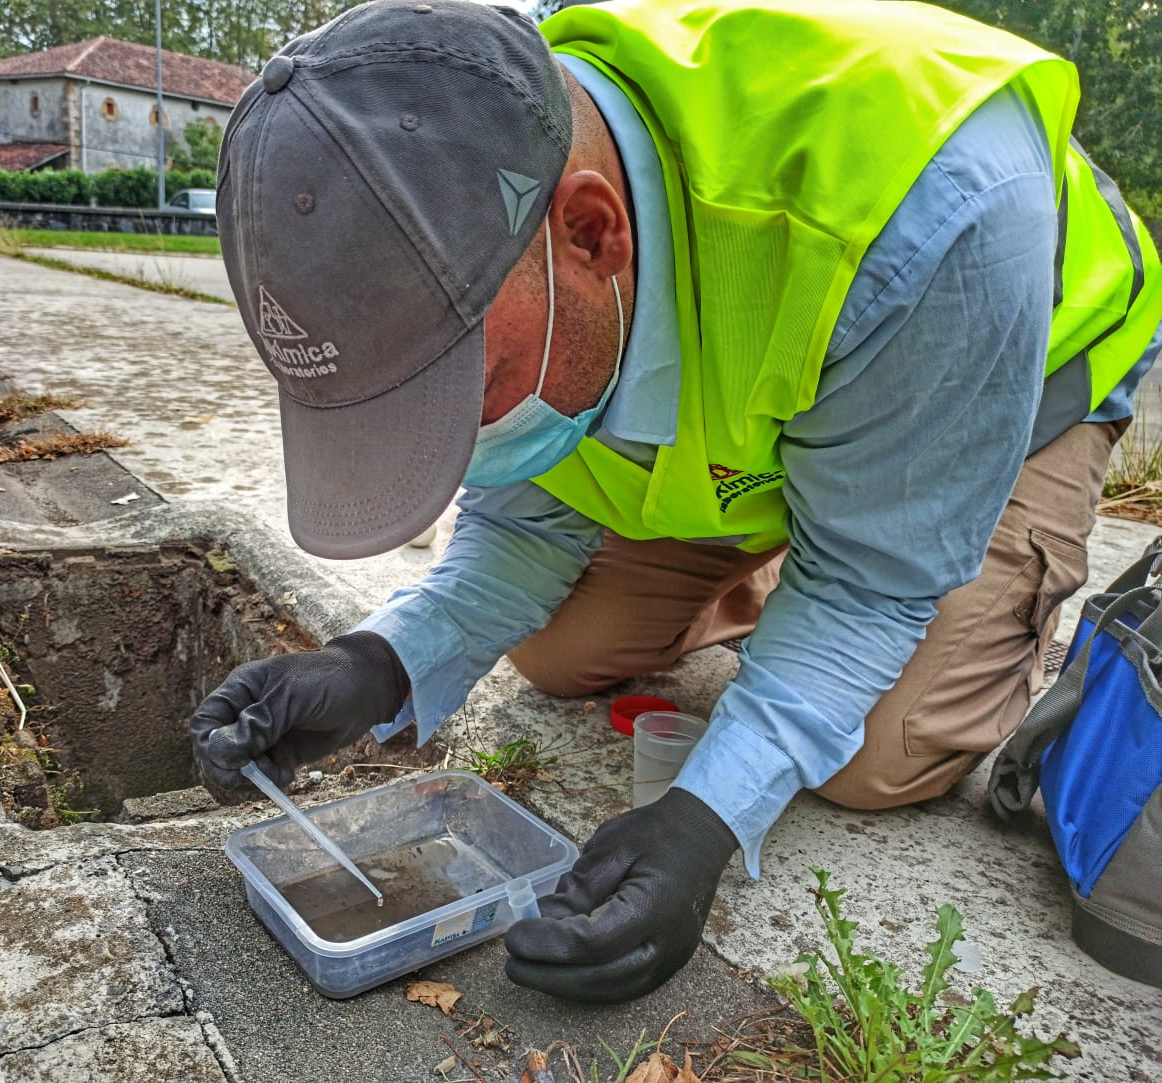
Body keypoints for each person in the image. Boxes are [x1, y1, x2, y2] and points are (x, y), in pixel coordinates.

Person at [192, 0, 1162, 1003]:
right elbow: (528, 518)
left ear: (591, 230)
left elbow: (872, 590)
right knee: (561, 652)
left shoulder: (935, 207)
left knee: (877, 754)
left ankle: (890, 556)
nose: (459, 450)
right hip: (757, 398)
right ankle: (798, 534)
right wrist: (376, 664)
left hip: (992, 376)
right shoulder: (491, 187)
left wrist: (706, 818)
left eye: (461, 394)